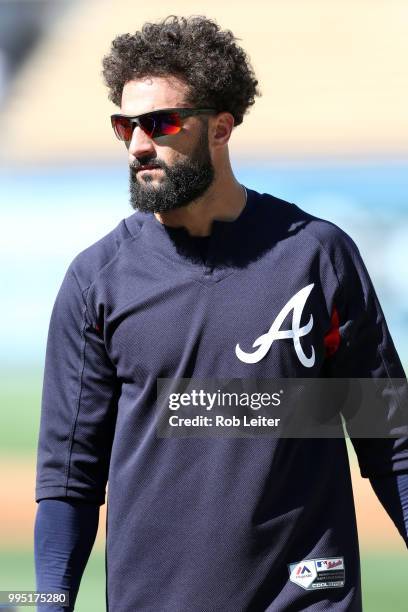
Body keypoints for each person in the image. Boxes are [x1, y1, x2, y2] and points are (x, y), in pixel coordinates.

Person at [34, 15, 408, 612]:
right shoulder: (97, 280)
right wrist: (40, 604)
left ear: (221, 127)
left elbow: (389, 438)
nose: (137, 145)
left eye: (160, 123)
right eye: (124, 125)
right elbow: (68, 483)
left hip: (307, 597)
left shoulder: (316, 255)